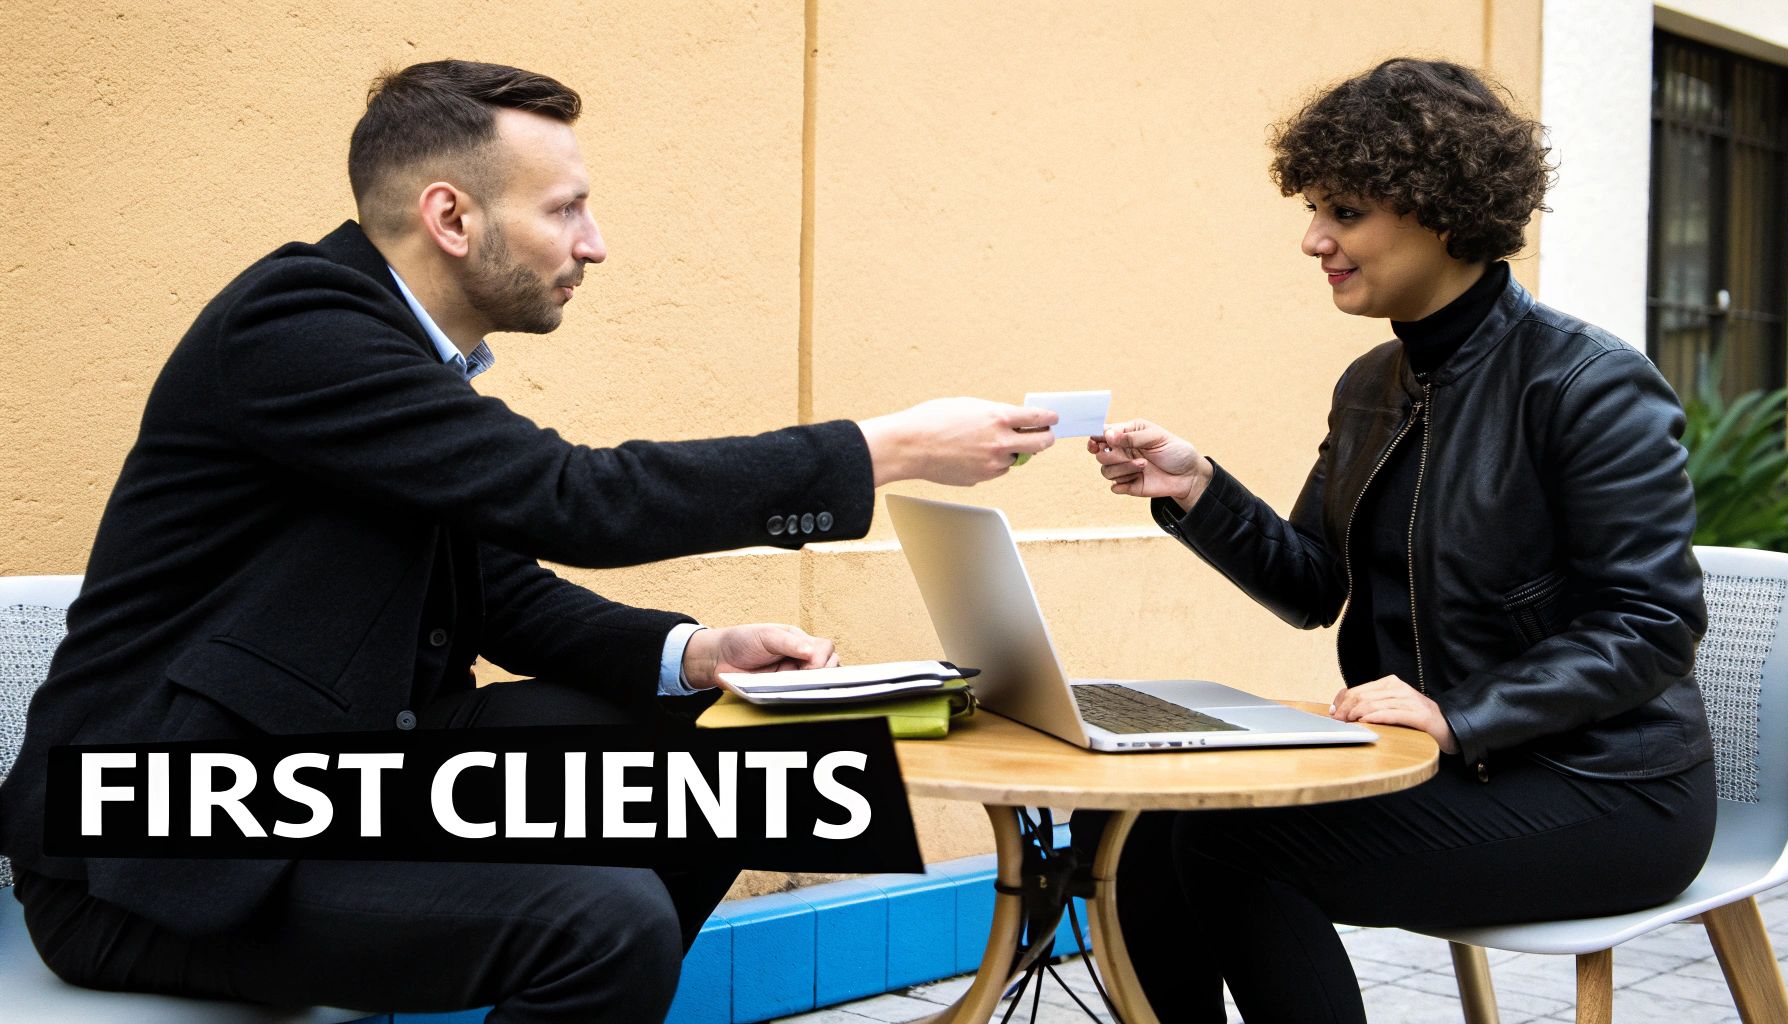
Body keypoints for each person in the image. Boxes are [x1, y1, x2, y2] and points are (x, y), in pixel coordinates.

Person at [0, 60, 1057, 1022]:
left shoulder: (391, 362)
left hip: (344, 767)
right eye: (565, 209)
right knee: (603, 923)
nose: (593, 243)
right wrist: (880, 447)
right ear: (450, 216)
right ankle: (597, 963)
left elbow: (502, 588)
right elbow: (574, 496)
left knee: (748, 759)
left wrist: (694, 655)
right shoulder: (298, 329)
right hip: (158, 846)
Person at [1083, 59, 1715, 1023]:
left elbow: (1650, 623)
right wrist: (1198, 489)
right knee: (1135, 827)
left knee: (1229, 845)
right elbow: (1313, 585)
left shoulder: (1588, 384)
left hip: (1606, 792)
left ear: (1440, 208)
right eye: (1313, 208)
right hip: (1439, 767)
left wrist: (1459, 712)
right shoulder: (1374, 382)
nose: (1312, 239)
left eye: (1344, 210)